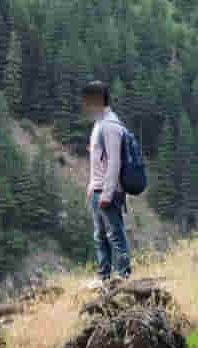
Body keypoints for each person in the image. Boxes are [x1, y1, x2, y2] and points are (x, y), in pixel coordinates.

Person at [82, 80, 131, 287]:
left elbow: (114, 163)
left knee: (114, 235)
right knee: (100, 235)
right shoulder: (100, 123)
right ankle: (104, 278)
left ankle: (124, 278)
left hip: (107, 191)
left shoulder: (110, 126)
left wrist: (107, 193)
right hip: (98, 188)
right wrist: (91, 185)